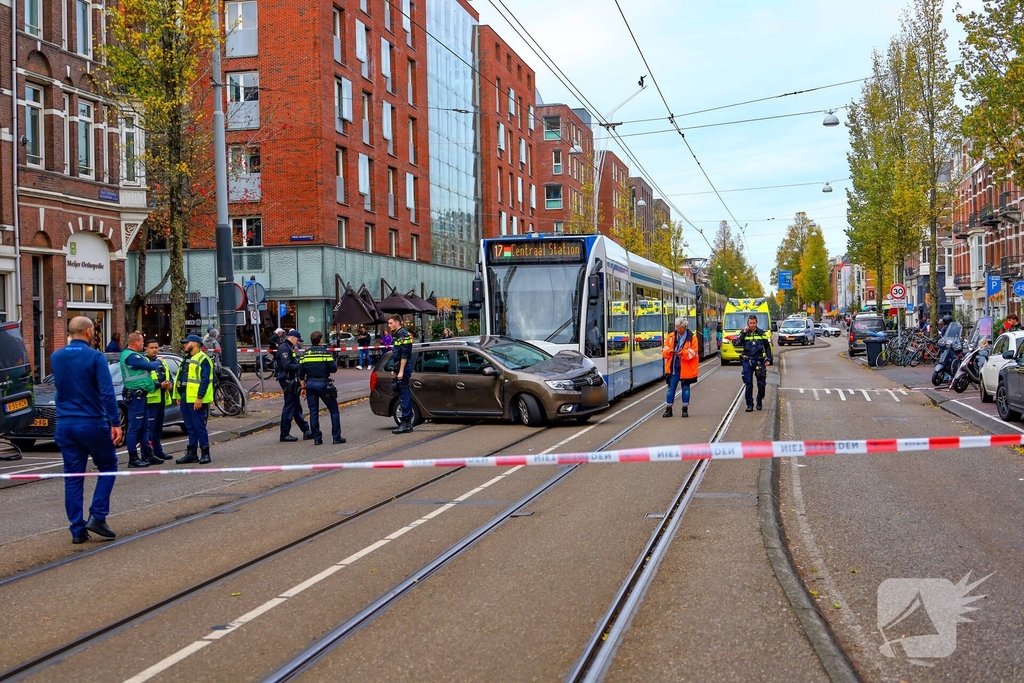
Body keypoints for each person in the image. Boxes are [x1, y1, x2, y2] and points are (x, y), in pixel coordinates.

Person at [51, 316, 122, 544]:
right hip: (91, 422)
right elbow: (106, 391)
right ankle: (98, 516)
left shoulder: (56, 357)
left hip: (65, 424)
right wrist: (115, 422)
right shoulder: (95, 357)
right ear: (90, 332)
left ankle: (77, 529)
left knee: (72, 477)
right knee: (109, 465)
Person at [120, 331, 164, 468]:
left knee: (144, 427)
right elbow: (150, 366)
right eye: (142, 342)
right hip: (135, 396)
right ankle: (133, 458)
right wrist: (158, 361)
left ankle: (147, 454)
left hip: (141, 395)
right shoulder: (131, 356)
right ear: (137, 342)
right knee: (134, 428)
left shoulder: (135, 355)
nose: (143, 344)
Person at [173, 334, 215, 464]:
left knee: (199, 426)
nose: (184, 345)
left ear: (195, 344)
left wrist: (199, 398)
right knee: (190, 427)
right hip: (186, 396)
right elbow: (182, 378)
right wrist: (179, 395)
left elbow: (205, 380)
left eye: (187, 343)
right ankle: (192, 453)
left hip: (196, 398)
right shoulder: (187, 358)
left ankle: (205, 453)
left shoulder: (203, 359)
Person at [299, 331, 345, 445]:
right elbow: (333, 369)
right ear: (320, 340)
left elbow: (300, 374)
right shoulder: (325, 353)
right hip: (323, 385)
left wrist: (303, 388)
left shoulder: (305, 354)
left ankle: (317, 438)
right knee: (334, 410)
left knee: (313, 412)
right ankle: (336, 437)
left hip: (310, 384)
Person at [276, 329, 313, 442]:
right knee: (289, 407)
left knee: (296, 406)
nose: (298, 342)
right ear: (292, 337)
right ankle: (284, 434)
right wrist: (300, 366)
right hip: (288, 381)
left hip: (291, 380)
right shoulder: (284, 348)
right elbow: (287, 366)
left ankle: (306, 430)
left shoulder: (289, 348)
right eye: (297, 340)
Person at [662, 317, 699, 418]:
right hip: (673, 367)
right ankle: (668, 409)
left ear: (685, 327)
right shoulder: (670, 337)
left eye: (681, 328)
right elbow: (664, 350)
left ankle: (685, 409)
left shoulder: (693, 338)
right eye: (677, 328)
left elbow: (693, 352)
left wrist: (682, 353)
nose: (679, 330)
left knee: (685, 388)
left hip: (686, 368)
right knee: (671, 388)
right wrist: (669, 351)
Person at [736, 314, 773, 412]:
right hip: (747, 360)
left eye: (753, 323)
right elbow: (737, 343)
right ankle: (749, 404)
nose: (752, 325)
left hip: (759, 360)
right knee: (748, 383)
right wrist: (744, 333)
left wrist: (768, 358)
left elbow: (767, 347)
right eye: (750, 323)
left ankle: (759, 399)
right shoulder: (744, 333)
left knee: (761, 384)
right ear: (748, 323)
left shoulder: (761, 333)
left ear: (756, 323)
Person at [144, 339, 174, 462]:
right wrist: (159, 385)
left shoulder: (162, 362)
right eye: (151, 348)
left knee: (158, 428)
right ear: (146, 349)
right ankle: (148, 453)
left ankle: (158, 451)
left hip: (162, 398)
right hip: (150, 400)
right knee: (149, 429)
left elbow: (168, 376)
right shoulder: (144, 362)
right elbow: (145, 381)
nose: (155, 350)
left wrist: (170, 384)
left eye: (156, 347)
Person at [388, 314, 414, 434]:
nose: (389, 325)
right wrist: (394, 367)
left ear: (398, 323)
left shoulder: (403, 335)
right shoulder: (397, 334)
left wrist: (401, 371)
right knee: (402, 395)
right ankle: (406, 422)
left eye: (391, 323)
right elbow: (396, 354)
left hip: (403, 368)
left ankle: (406, 423)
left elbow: (404, 354)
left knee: (404, 396)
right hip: (399, 367)